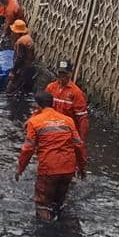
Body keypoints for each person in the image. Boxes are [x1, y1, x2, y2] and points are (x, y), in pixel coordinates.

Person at [16, 91, 86, 221]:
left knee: (42, 205)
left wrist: (20, 169)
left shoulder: (35, 122)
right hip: (68, 169)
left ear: (37, 106)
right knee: (58, 203)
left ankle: (46, 235)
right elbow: (79, 146)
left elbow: (28, 149)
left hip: (49, 169)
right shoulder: (68, 120)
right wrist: (81, 168)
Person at [45, 59, 89, 140]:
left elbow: (82, 118)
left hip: (67, 134)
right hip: (51, 130)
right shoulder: (50, 88)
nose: (62, 75)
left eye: (64, 73)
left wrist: (81, 139)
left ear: (69, 74)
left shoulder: (76, 93)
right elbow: (42, 109)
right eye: (60, 73)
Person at [6, 20, 35, 96]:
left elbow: (20, 58)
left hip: (22, 70)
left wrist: (13, 71)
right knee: (24, 91)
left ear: (18, 33)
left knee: (10, 91)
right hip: (30, 69)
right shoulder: (28, 38)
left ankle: (13, 107)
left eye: (14, 32)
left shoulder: (20, 42)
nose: (12, 34)